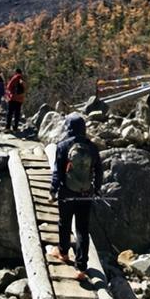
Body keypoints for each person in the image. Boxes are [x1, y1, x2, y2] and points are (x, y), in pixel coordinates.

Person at [49, 113, 103, 280]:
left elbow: (58, 172)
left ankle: (63, 253)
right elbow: (99, 171)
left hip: (67, 192)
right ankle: (81, 268)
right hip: (85, 194)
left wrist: (53, 190)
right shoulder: (92, 147)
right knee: (82, 229)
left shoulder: (63, 146)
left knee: (64, 222)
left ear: (68, 128)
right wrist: (96, 189)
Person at [5, 68, 26, 133]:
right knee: (17, 114)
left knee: (10, 113)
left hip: (13, 98)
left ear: (16, 72)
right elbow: (25, 88)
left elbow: (9, 86)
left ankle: (8, 127)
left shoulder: (15, 77)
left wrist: (9, 93)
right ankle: (15, 128)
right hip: (20, 99)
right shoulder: (23, 78)